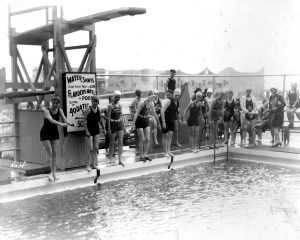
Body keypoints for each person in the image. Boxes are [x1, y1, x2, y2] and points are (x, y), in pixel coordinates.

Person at [40, 95, 74, 180]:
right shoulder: (46, 110)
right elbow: (51, 120)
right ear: (51, 103)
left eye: (56, 103)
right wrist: (61, 124)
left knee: (55, 153)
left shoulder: (60, 110)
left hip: (54, 132)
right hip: (45, 132)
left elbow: (65, 119)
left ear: (58, 104)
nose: (55, 104)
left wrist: (70, 123)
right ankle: (50, 173)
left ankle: (54, 173)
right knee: (50, 152)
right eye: (53, 103)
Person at [132, 90, 160, 161]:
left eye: (154, 97)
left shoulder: (152, 103)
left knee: (147, 139)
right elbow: (136, 113)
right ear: (148, 96)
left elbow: (154, 113)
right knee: (142, 139)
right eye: (152, 97)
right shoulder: (142, 103)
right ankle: (141, 156)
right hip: (139, 120)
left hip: (146, 120)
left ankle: (145, 154)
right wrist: (133, 124)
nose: (153, 99)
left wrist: (158, 120)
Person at [83, 95, 106, 172]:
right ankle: (87, 165)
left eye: (97, 101)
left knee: (96, 148)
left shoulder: (98, 109)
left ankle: (93, 164)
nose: (95, 103)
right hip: (89, 130)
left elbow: (100, 120)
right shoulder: (88, 109)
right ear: (92, 101)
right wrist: (86, 131)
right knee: (90, 149)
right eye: (94, 101)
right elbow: (84, 121)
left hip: (96, 130)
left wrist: (104, 129)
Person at [107, 90, 125, 166]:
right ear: (114, 97)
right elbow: (108, 118)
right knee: (112, 142)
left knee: (120, 142)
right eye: (116, 97)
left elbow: (121, 115)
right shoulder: (110, 106)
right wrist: (108, 128)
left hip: (119, 123)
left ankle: (120, 159)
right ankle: (110, 159)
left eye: (119, 97)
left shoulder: (120, 105)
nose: (118, 98)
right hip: (112, 124)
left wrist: (124, 125)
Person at [160, 90, 178, 156]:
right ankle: (165, 152)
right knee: (165, 137)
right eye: (176, 95)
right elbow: (162, 111)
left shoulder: (176, 102)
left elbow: (175, 112)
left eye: (178, 96)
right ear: (174, 95)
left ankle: (168, 151)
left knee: (170, 136)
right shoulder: (168, 101)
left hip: (171, 120)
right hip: (165, 119)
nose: (177, 97)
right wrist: (163, 122)